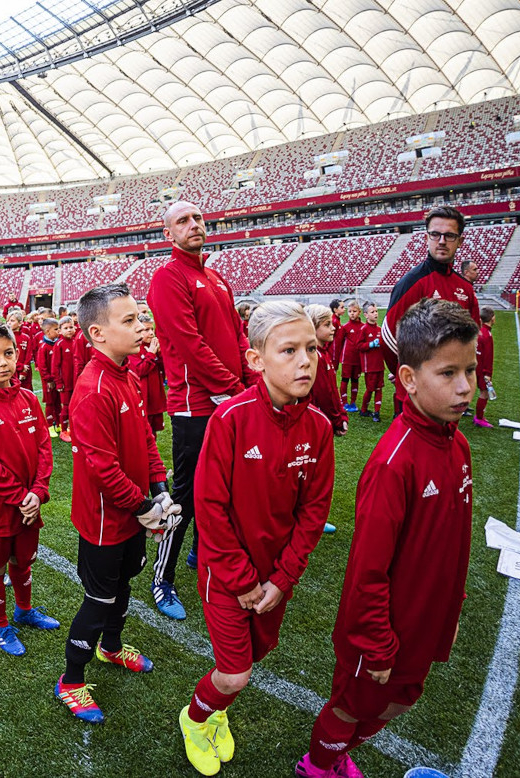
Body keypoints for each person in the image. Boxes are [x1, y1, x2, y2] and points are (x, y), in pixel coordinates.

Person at [297, 299, 477, 778]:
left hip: (428, 617)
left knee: (402, 700)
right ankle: (318, 766)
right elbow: (367, 570)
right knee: (355, 705)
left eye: (470, 370)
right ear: (410, 379)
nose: (464, 387)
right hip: (382, 632)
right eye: (447, 374)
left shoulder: (456, 442)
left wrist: (451, 609)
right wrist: (376, 642)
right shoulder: (395, 462)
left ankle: (335, 754)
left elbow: (456, 543)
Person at [177, 301, 334, 776]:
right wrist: (242, 580)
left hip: (275, 578)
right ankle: (196, 718)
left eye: (310, 347)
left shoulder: (320, 427)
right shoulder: (230, 419)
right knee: (235, 670)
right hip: (227, 575)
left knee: (258, 652)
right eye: (288, 350)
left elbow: (313, 512)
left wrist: (282, 579)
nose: (305, 360)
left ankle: (218, 711)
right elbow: (210, 508)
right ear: (256, 360)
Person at [56, 283, 180, 724]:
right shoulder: (91, 390)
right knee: (98, 599)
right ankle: (71, 680)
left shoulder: (127, 374)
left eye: (139, 317)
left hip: (132, 514)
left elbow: (146, 437)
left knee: (125, 586)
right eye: (129, 321)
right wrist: (144, 505)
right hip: (106, 521)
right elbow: (102, 468)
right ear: (98, 333)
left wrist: (160, 483)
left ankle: (110, 649)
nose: (141, 326)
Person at [146, 201, 253, 622]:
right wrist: (231, 387)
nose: (194, 225)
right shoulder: (167, 277)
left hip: (232, 398)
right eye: (183, 221)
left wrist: (248, 381)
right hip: (194, 406)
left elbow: (238, 334)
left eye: (198, 218)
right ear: (168, 234)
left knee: (229, 486)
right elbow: (189, 343)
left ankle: (201, 553)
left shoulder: (215, 276)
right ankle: (162, 578)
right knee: (187, 497)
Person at [0, 320, 59, 656]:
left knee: (24, 561)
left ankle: (24, 610)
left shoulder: (30, 400)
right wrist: (21, 497)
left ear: (18, 353)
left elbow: (44, 450)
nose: (3, 362)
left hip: (29, 502)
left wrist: (38, 491)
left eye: (8, 353)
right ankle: (0, 625)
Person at [381, 206, 481, 417]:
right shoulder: (412, 282)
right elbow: (388, 336)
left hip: (451, 395)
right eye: (435, 234)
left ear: (460, 241)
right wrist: (407, 372)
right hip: (415, 396)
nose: (442, 241)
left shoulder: (466, 289)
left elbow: (471, 340)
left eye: (449, 235)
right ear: (427, 237)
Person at [304, 305, 348, 439]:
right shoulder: (314, 356)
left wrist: (341, 414)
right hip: (317, 422)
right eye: (327, 324)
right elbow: (323, 394)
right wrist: (337, 420)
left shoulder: (324, 353)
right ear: (312, 327)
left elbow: (333, 390)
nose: (333, 328)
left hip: (325, 419)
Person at [128, 313, 166, 433]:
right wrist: (151, 354)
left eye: (152, 329)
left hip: (155, 396)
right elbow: (139, 370)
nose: (151, 333)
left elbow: (164, 368)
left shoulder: (152, 346)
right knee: (143, 430)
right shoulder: (133, 348)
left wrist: (159, 354)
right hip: (143, 397)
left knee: (153, 430)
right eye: (146, 330)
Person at [50, 316, 77, 442]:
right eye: (66, 328)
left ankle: (74, 428)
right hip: (65, 384)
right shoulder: (59, 345)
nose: (69, 330)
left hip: (76, 382)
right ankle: (64, 430)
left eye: (71, 327)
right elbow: (55, 366)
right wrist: (59, 383)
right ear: (60, 331)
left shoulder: (76, 341)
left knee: (76, 406)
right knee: (66, 407)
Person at [358, 304, 386, 422]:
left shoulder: (380, 329)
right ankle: (364, 410)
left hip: (379, 364)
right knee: (370, 389)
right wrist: (370, 344)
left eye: (376, 311)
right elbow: (359, 346)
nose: (375, 313)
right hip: (369, 366)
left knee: (379, 388)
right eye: (372, 312)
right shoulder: (363, 329)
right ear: (365, 315)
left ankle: (376, 412)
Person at [337, 304, 364, 412]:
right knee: (345, 379)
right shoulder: (345, 327)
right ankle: (344, 402)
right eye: (350, 311)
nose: (352, 313)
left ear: (359, 312)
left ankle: (353, 402)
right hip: (347, 358)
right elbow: (340, 342)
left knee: (355, 380)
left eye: (354, 311)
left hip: (358, 359)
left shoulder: (363, 327)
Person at [473, 307, 495, 428]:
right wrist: (487, 373)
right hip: (482, 370)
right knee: (484, 393)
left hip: (474, 367)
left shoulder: (479, 331)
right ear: (492, 318)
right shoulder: (487, 335)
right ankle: (479, 418)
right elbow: (488, 356)